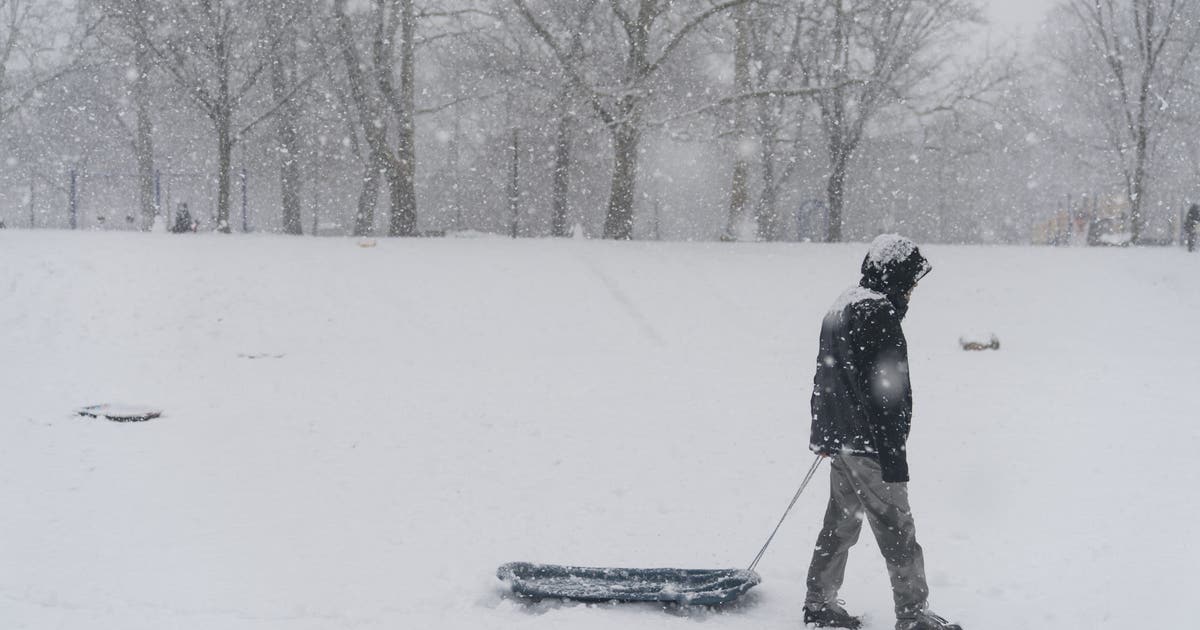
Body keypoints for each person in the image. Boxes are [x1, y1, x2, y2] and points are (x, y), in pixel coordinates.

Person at [803, 234, 962, 630]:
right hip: (870, 445)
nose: (911, 290)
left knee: (840, 523)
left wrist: (825, 435)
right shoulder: (877, 313)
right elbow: (886, 392)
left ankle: (819, 602)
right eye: (909, 281)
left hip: (843, 442)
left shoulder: (843, 304)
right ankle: (913, 616)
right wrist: (893, 456)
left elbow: (825, 376)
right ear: (894, 276)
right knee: (897, 529)